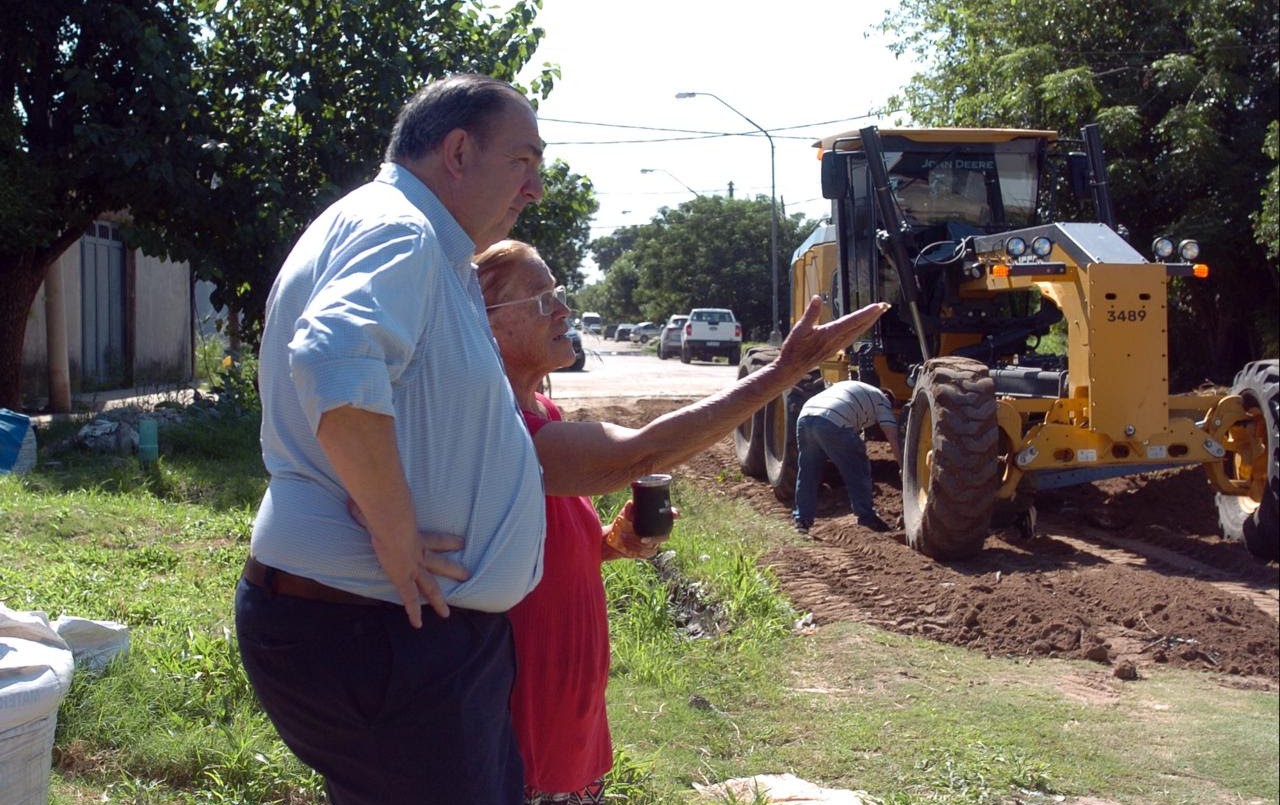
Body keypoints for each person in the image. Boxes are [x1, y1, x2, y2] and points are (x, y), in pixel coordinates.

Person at [473, 240, 889, 802]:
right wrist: (784, 371)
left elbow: (540, 548)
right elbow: (640, 453)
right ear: (487, 322)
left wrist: (612, 542)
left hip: (569, 721)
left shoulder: (544, 411)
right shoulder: (495, 428)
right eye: (542, 299)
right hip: (521, 730)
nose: (564, 311)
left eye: (560, 294)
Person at [235, 75, 549, 805]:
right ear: (459, 151)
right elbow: (334, 356)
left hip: (391, 631)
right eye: (523, 161)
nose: (534, 189)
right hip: (381, 632)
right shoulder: (401, 229)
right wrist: (396, 527)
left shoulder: (414, 238)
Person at [791, 380, 903, 534]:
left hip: (806, 417)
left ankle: (802, 520)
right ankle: (867, 517)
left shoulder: (856, 388)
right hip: (832, 419)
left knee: (808, 472)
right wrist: (902, 467)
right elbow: (892, 436)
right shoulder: (883, 400)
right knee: (858, 469)